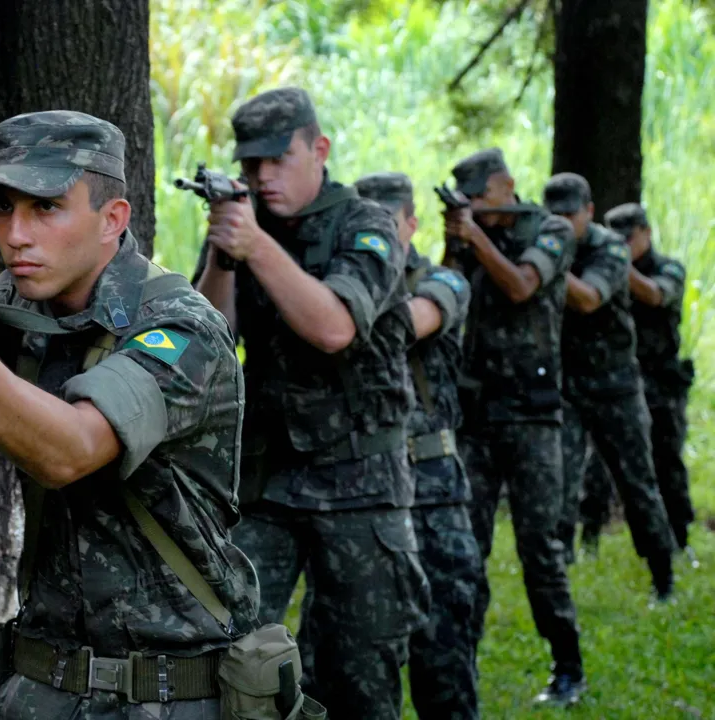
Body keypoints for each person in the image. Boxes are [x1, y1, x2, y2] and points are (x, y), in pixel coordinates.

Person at [0, 110, 259, 719]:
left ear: (112, 219)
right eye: (3, 208)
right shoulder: (6, 322)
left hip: (170, 693)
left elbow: (69, 451)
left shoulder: (182, 329)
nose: (16, 233)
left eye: (45, 208)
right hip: (42, 690)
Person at [193, 87, 428, 719]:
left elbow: (333, 328)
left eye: (277, 160)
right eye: (250, 166)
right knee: (231, 654)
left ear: (318, 149)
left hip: (363, 485)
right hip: (270, 481)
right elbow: (212, 343)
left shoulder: (367, 224)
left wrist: (255, 248)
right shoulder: (244, 231)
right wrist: (222, 254)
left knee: (360, 670)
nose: (262, 177)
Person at [443, 148, 586, 706]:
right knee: (465, 549)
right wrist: (457, 244)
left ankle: (567, 665)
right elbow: (449, 296)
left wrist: (474, 238)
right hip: (478, 419)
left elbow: (524, 285)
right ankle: (461, 663)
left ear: (504, 188)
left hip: (533, 418)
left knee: (539, 549)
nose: (474, 209)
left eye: (478, 198)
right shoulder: (476, 238)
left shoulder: (548, 229)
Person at [358, 172, 481, 719]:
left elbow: (401, 326)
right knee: (350, 658)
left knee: (445, 654)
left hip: (432, 489)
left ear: (413, 223)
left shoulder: (443, 282)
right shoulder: (342, 285)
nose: (384, 235)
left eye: (393, 223)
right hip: (361, 490)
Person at [543, 173, 677, 600]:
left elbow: (587, 298)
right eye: (555, 215)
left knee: (637, 485)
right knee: (558, 482)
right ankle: (559, 575)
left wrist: (543, 263)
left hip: (615, 385)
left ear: (589, 212)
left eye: (571, 214)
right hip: (567, 386)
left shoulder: (610, 249)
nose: (564, 223)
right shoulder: (545, 244)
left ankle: (663, 578)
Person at [582, 202, 696, 564]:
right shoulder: (599, 267)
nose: (624, 246)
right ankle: (589, 539)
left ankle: (678, 539)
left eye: (628, 240)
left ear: (646, 233)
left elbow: (655, 294)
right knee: (598, 466)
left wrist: (616, 265)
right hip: (614, 378)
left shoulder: (667, 268)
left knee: (666, 463)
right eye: (617, 241)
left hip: (659, 381)